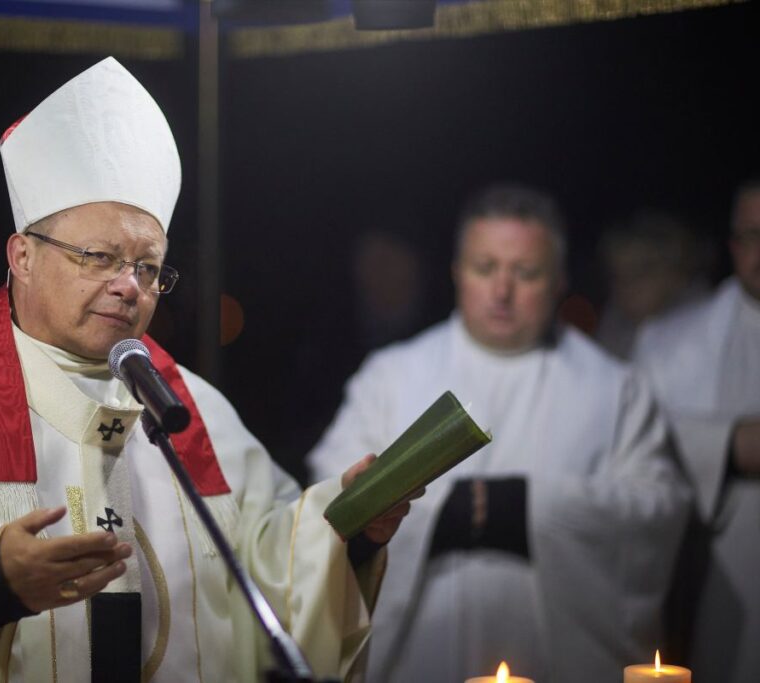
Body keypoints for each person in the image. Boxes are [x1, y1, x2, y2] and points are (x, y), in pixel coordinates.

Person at [0, 57, 412, 683]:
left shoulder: (195, 413)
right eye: (99, 256)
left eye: (147, 267)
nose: (129, 287)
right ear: (22, 256)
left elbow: (263, 566)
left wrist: (350, 530)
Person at [307, 183, 692, 683]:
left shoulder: (614, 389)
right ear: (456, 272)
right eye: (484, 268)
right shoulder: (391, 375)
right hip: (421, 654)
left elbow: (657, 512)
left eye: (525, 272)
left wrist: (526, 507)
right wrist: (452, 512)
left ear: (558, 280)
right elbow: (331, 497)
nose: (502, 291)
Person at [632, 178, 760, 683]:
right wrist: (726, 445)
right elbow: (639, 455)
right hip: (723, 588)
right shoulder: (668, 344)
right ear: (733, 245)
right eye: (753, 235)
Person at [595, 208, 712, 360]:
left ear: (676, 274)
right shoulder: (614, 326)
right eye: (616, 276)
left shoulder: (705, 325)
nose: (626, 287)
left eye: (640, 272)